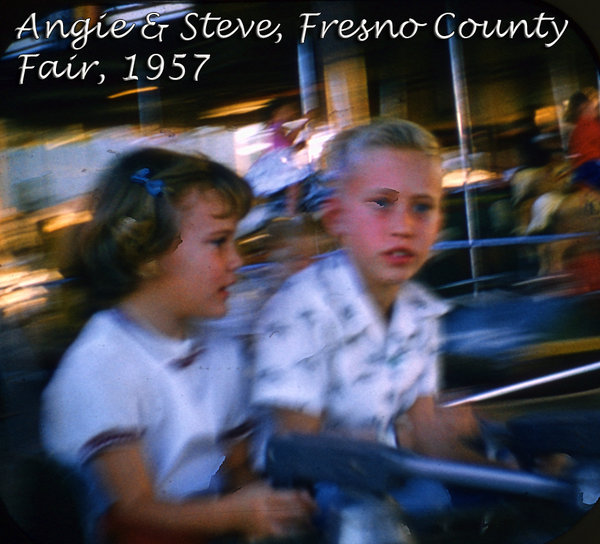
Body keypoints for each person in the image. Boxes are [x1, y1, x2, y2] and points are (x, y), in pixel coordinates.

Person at [40, 148, 314, 544]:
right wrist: (236, 514)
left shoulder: (219, 350)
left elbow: (238, 465)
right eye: (219, 242)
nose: (237, 260)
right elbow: (132, 510)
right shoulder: (102, 364)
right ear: (148, 254)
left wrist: (263, 504)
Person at [251, 118, 485, 463]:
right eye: (381, 204)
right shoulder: (300, 311)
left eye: (422, 207)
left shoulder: (421, 312)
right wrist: (405, 436)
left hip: (400, 494)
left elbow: (431, 440)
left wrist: (516, 474)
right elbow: (297, 452)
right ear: (336, 219)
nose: (403, 227)